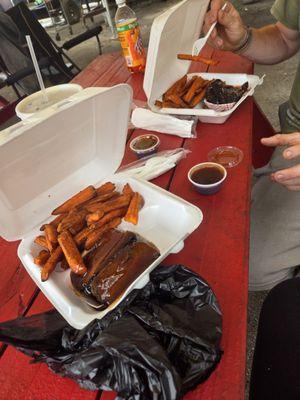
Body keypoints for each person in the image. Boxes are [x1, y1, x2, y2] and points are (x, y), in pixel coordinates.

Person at [204, 0, 300, 291]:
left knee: (248, 266)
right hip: (293, 143)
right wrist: (243, 38)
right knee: (224, 246)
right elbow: (286, 37)